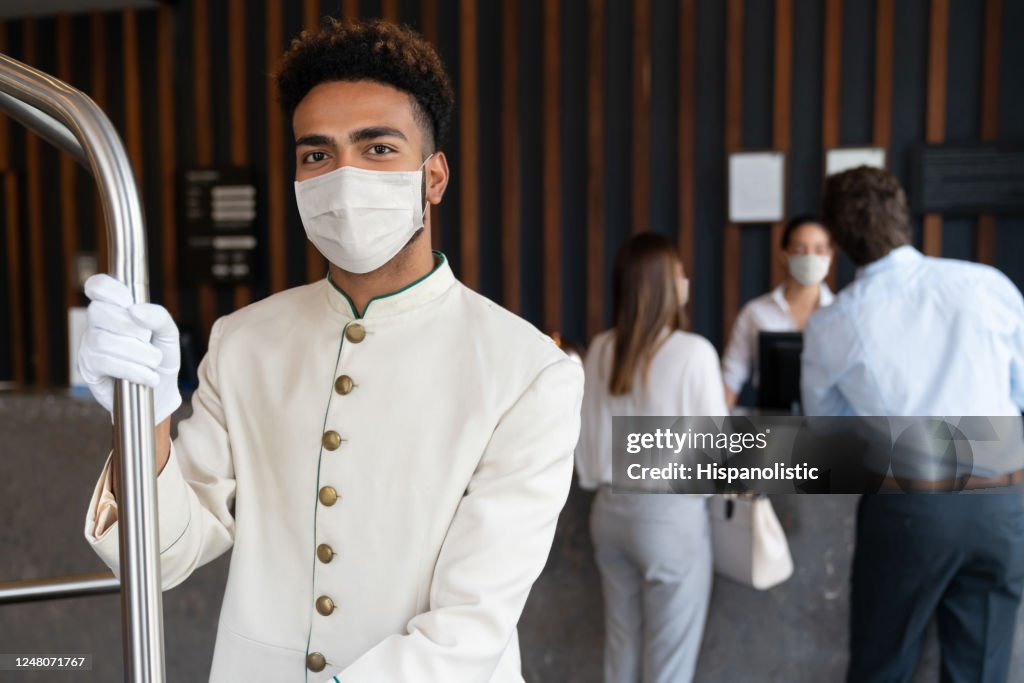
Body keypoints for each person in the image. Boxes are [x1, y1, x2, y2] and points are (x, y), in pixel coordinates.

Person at [77, 19, 584, 683]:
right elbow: (160, 556)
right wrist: (146, 414)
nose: (342, 175)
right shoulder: (245, 340)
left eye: (376, 148)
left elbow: (471, 622)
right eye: (316, 154)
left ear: (434, 177)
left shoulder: (527, 370)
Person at [801, 167, 1024, 683]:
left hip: (911, 506)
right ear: (903, 216)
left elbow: (826, 431)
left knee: (884, 668)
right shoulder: (985, 284)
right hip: (1002, 501)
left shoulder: (835, 322)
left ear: (836, 237)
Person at [575, 233, 727, 683]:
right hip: (669, 520)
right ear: (666, 284)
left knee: (620, 651)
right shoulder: (694, 352)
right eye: (679, 272)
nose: (686, 280)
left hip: (609, 515)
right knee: (669, 666)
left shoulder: (601, 349)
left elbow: (585, 441)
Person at [721, 214, 834, 408]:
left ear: (830, 255)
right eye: (800, 249)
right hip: (772, 427)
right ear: (784, 254)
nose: (810, 257)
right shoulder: (754, 313)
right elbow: (730, 379)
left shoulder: (843, 314)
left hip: (832, 431)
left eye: (819, 250)